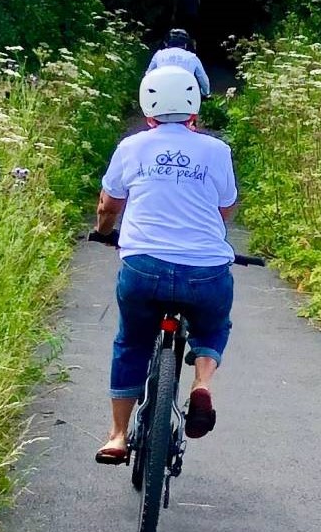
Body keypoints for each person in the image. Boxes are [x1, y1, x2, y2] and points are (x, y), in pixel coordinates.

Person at [92, 65, 238, 464]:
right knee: (212, 324)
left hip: (144, 270)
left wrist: (105, 231)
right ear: (194, 104)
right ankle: (202, 384)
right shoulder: (217, 151)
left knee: (131, 342)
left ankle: (118, 436)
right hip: (205, 271)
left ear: (147, 105)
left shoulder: (131, 147)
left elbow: (109, 205)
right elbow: (224, 208)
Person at [146, 27, 211, 97]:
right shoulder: (192, 57)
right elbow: (204, 80)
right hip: (186, 97)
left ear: (166, 43)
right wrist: (205, 93)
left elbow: (148, 75)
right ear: (185, 45)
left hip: (161, 95)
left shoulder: (159, 54)